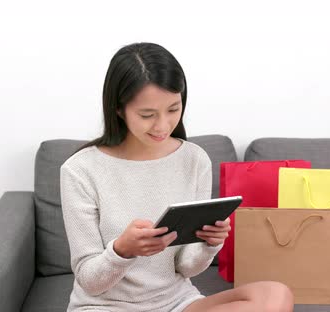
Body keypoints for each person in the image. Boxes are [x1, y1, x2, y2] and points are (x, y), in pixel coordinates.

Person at [60, 42, 294, 312]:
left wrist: (209, 243)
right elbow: (90, 282)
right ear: (118, 109)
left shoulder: (194, 159)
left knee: (275, 295)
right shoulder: (80, 170)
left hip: (175, 304)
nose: (162, 126)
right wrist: (122, 250)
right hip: (105, 307)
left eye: (173, 109)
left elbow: (185, 267)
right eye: (147, 114)